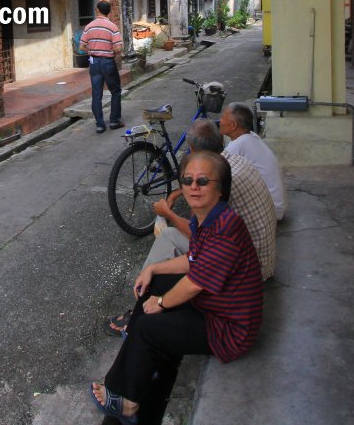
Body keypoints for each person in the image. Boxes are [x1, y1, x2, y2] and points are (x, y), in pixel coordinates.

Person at [91, 151, 263, 425]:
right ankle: (131, 366)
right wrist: (152, 269)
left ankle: (129, 403)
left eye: (203, 181)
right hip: (214, 306)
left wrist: (159, 303)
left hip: (228, 328)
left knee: (148, 324)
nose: (194, 186)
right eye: (188, 179)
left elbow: (194, 284)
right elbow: (193, 259)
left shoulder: (225, 228)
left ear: (219, 188)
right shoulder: (206, 218)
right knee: (154, 284)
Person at [105, 119, 276, 336]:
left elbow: (197, 235)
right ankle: (146, 301)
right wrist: (180, 192)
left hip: (248, 269)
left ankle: (141, 311)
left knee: (168, 238)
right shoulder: (229, 162)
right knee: (169, 243)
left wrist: (168, 213)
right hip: (258, 252)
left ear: (194, 150)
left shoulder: (218, 190)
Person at [220, 102, 286, 220]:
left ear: (234, 125)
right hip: (277, 205)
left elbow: (215, 172)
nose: (220, 121)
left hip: (271, 210)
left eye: (223, 117)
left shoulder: (237, 145)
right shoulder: (252, 136)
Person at [78, 0, 124, 133]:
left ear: (97, 10)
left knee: (96, 94)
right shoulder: (112, 27)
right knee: (115, 91)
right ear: (109, 11)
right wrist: (109, 50)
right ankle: (114, 121)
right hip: (108, 62)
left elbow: (81, 46)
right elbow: (119, 48)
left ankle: (100, 124)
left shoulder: (89, 26)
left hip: (94, 63)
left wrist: (91, 51)